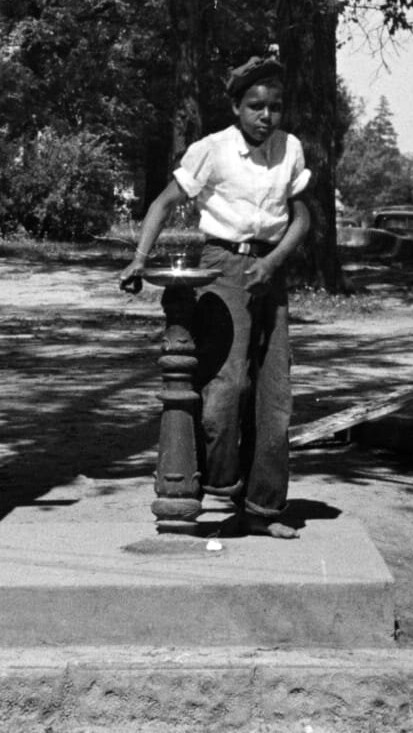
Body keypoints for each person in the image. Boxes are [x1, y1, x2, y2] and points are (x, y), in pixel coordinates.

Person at [119, 52, 311, 538]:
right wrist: (140, 258)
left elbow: (303, 216)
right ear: (236, 108)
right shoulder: (213, 150)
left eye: (275, 107)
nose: (266, 116)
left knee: (274, 396)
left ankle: (262, 510)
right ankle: (218, 483)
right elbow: (165, 201)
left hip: (271, 271)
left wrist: (273, 262)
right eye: (255, 106)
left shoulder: (291, 149)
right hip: (221, 268)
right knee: (225, 391)